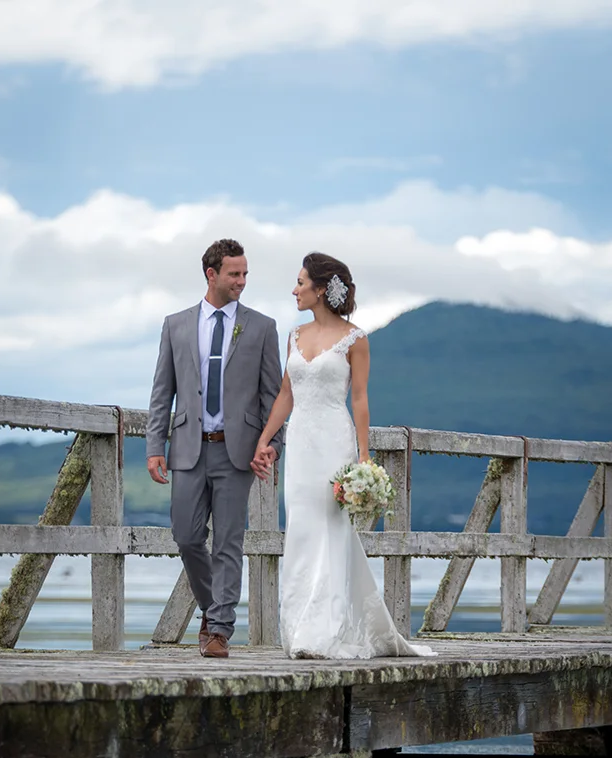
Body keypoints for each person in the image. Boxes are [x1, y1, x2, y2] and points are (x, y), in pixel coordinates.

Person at [254, 253, 434, 660]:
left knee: (332, 529)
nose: (295, 290)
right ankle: (299, 628)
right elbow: (286, 394)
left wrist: (364, 456)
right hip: (301, 443)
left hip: (335, 442)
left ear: (321, 289)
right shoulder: (294, 336)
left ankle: (325, 631)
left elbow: (360, 399)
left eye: (301, 282)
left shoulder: (356, 339)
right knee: (302, 529)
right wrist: (265, 440)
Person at [145, 238, 284, 660]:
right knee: (186, 537)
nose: (242, 281)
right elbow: (162, 391)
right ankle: (212, 607)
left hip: (236, 451)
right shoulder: (176, 325)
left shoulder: (262, 327)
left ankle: (220, 629)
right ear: (211, 274)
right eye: (234, 274)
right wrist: (155, 445)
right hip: (188, 447)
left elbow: (272, 395)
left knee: (228, 542)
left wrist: (272, 444)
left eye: (245, 274)